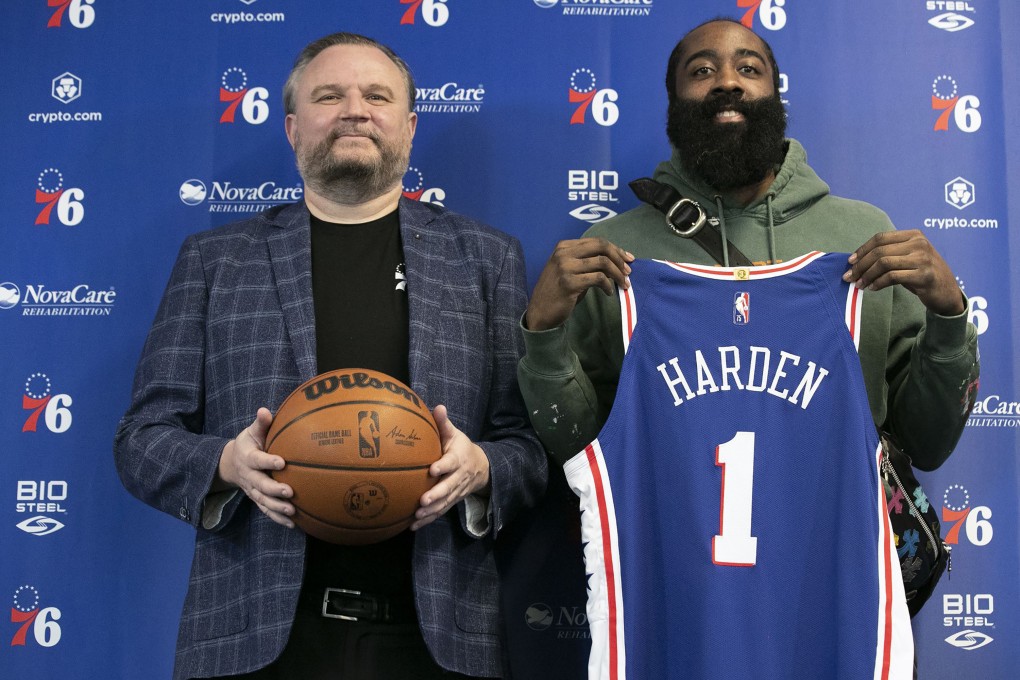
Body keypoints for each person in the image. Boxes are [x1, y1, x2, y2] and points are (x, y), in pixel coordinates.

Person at [517, 17, 980, 679]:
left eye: (748, 68)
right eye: (702, 70)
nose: (727, 82)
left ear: (775, 93)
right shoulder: (617, 254)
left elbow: (928, 441)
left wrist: (948, 314)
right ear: (675, 100)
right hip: (677, 590)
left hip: (828, 583)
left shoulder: (861, 240)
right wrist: (543, 334)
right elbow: (581, 448)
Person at [114, 32, 546, 680]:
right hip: (253, 640)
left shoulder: (487, 260)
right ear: (293, 127)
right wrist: (227, 464)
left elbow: (530, 448)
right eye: (329, 96)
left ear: (409, 127)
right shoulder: (215, 261)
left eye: (377, 96)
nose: (355, 111)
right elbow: (141, 439)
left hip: (435, 641)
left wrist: (480, 467)